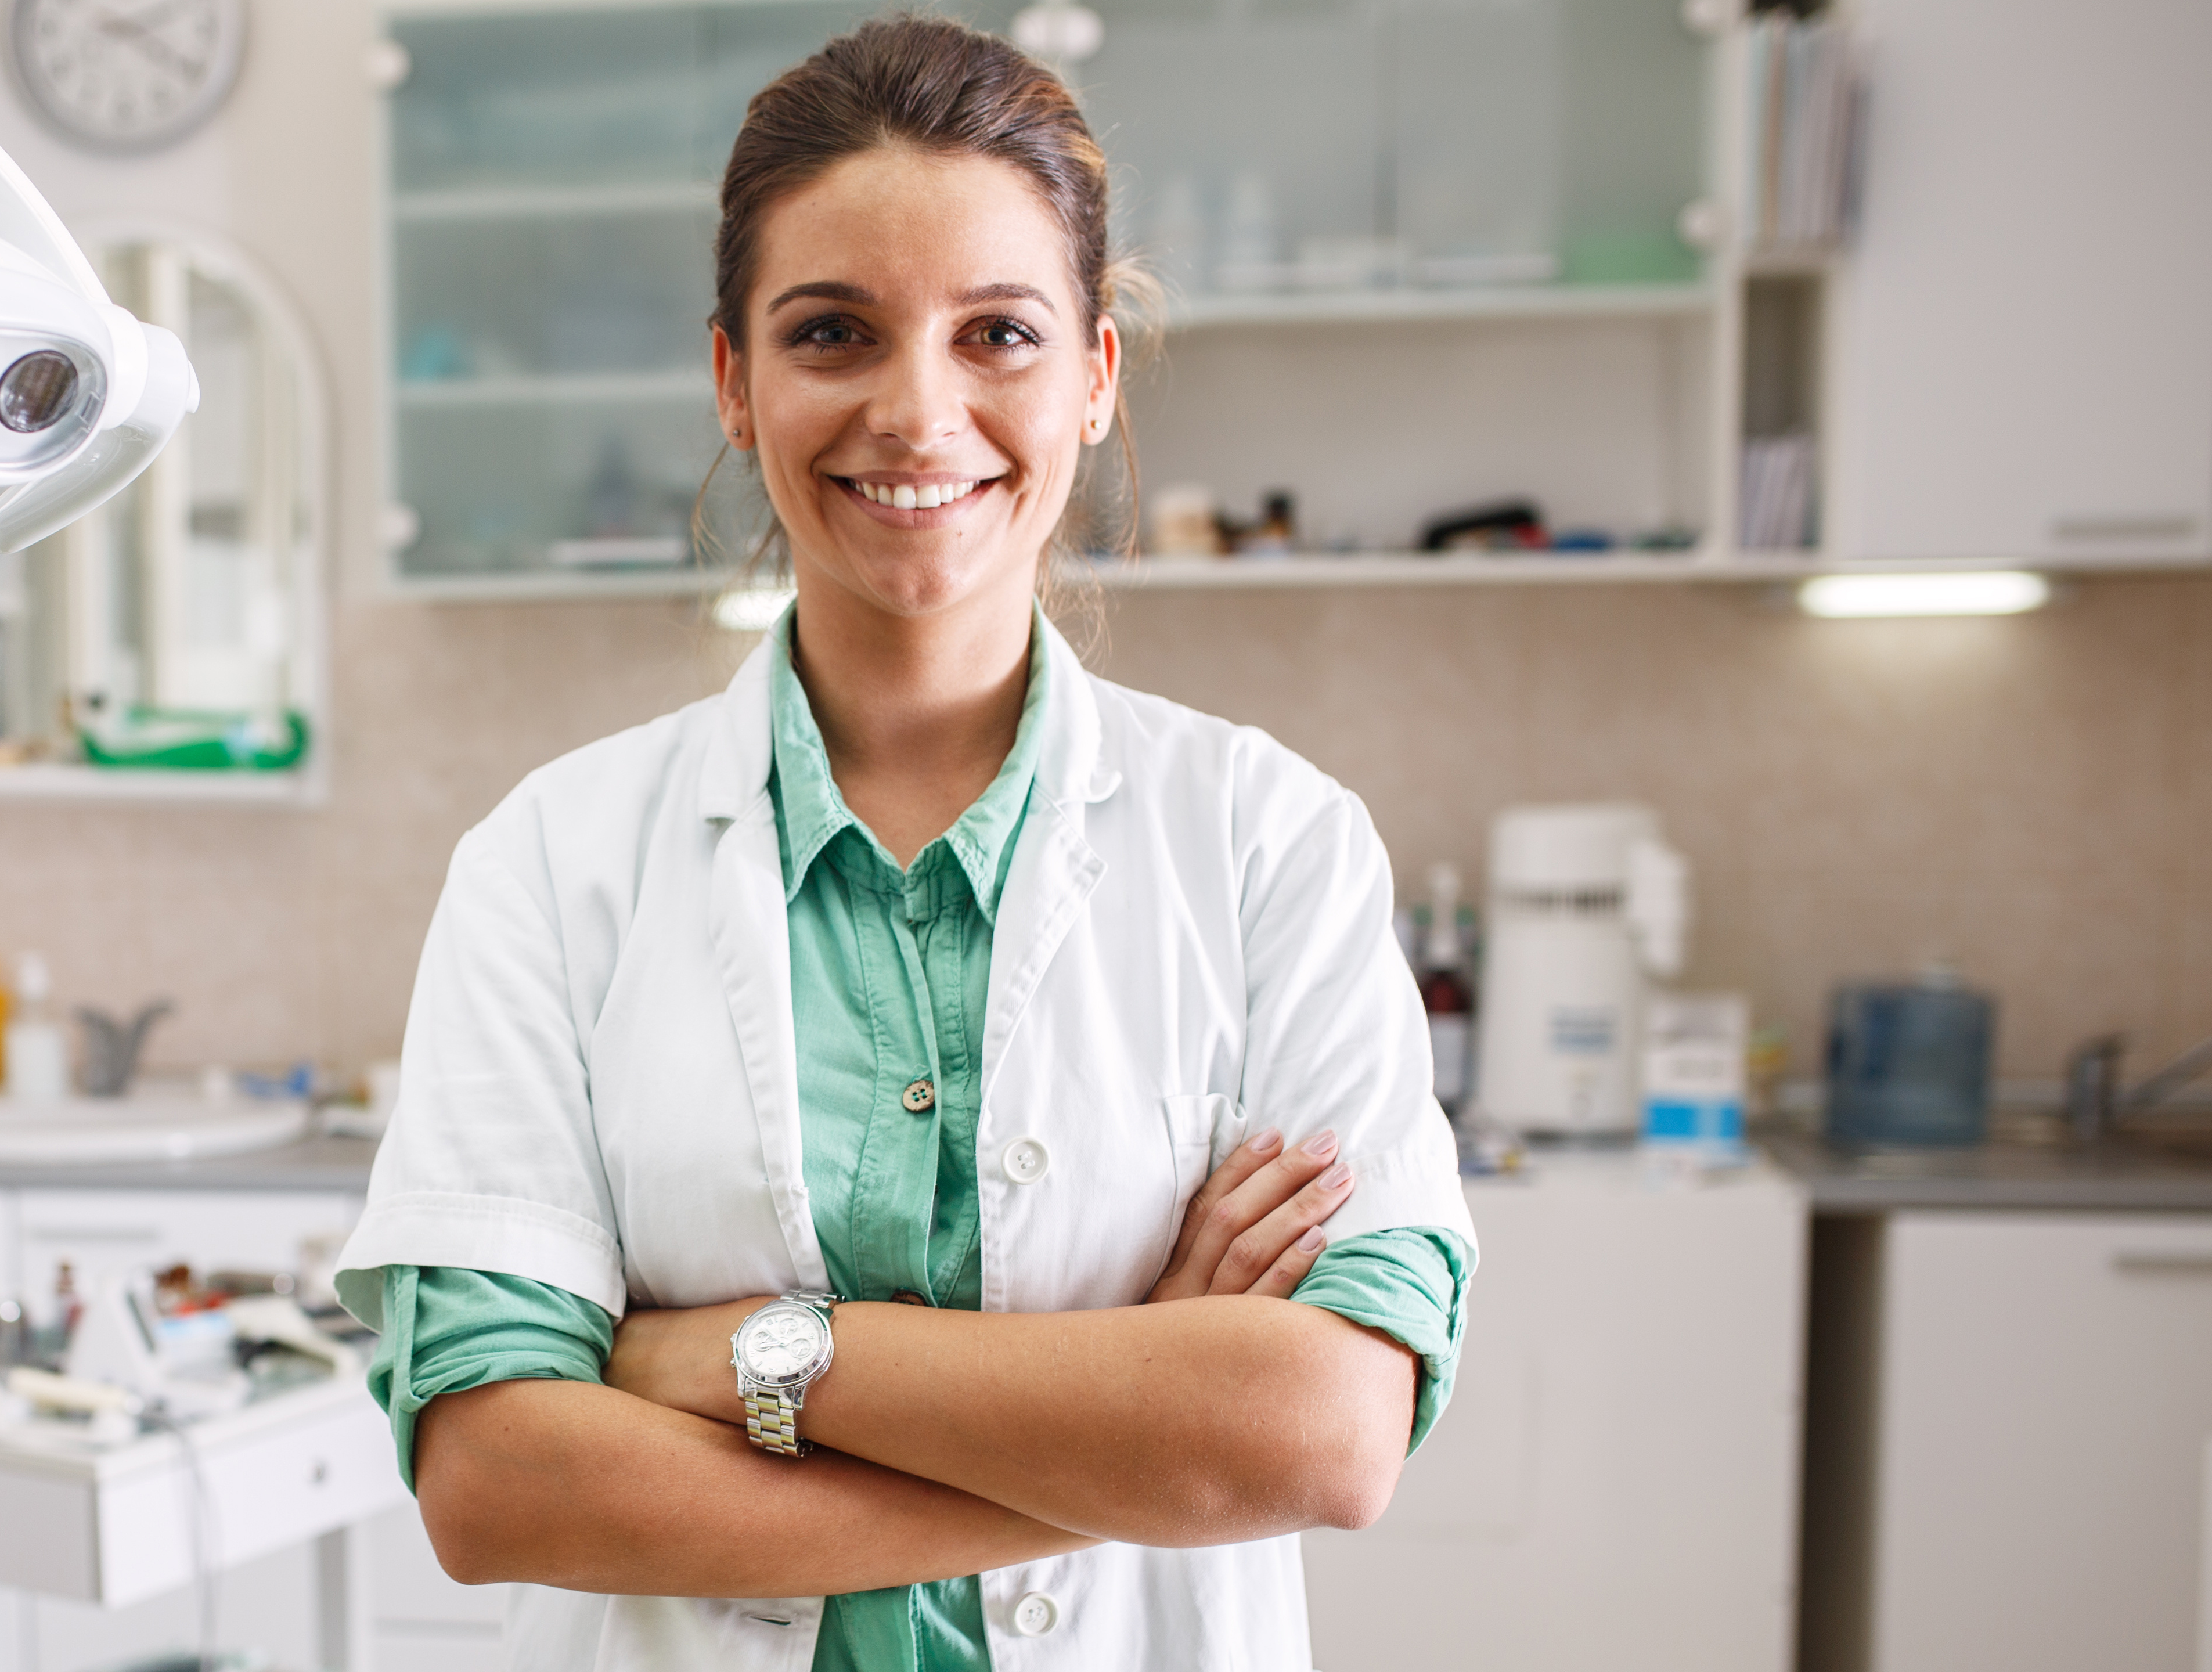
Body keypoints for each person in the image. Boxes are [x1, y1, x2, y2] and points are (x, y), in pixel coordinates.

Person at [330, 16, 1475, 1670]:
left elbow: (1324, 1436)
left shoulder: (1267, 842)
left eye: (998, 333)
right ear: (736, 382)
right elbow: (500, 1482)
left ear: (1094, 377)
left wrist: (738, 1358)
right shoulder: (550, 863)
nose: (917, 411)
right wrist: (1135, 1418)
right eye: (834, 332)